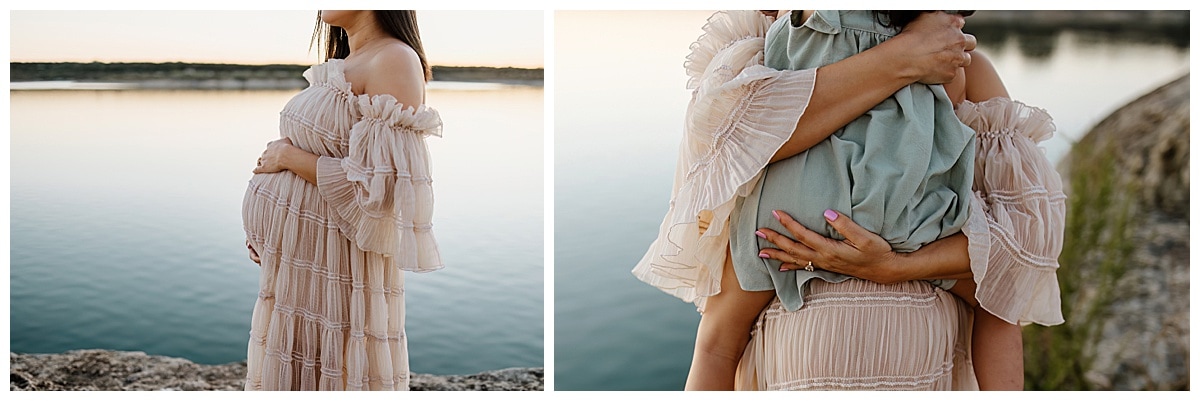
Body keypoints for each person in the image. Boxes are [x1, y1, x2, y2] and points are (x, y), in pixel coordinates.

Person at [633, 10, 1064, 391]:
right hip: (791, 347)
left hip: (922, 356)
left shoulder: (961, 70)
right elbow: (734, 145)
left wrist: (896, 267)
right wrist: (903, 56)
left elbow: (1017, 260)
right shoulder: (760, 60)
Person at [241, 10, 443, 390]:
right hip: (302, 263)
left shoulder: (394, 59)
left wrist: (288, 158)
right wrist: (274, 235)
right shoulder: (346, 64)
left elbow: (381, 192)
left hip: (339, 266)